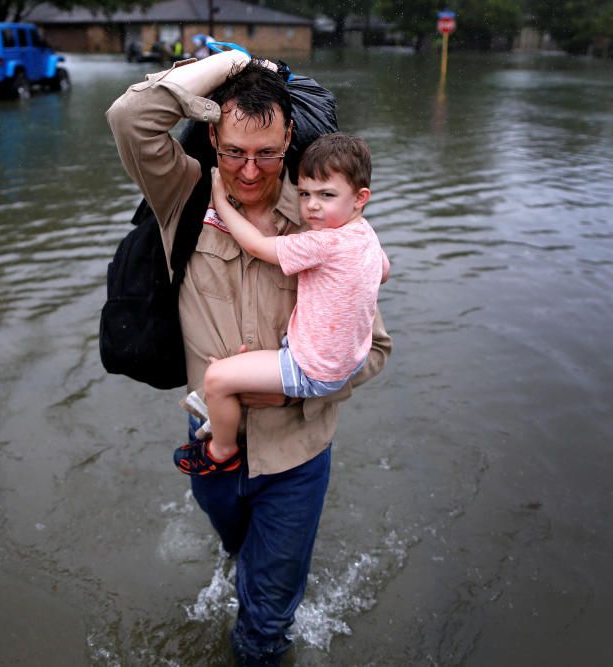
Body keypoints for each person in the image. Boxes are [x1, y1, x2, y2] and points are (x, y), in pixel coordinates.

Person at [106, 50, 391, 665]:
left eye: (267, 152)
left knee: (263, 629)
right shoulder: (183, 195)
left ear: (290, 136)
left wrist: (294, 389)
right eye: (234, 151)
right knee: (237, 556)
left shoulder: (325, 222)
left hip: (297, 455)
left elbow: (375, 350)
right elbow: (131, 118)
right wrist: (233, 62)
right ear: (213, 138)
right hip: (212, 445)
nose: (252, 171)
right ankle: (249, 563)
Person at [176, 133, 390, 472]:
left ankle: (221, 450)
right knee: (234, 374)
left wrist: (219, 199)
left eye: (326, 195)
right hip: (342, 364)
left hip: (310, 369)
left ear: (360, 198)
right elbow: (384, 271)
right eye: (304, 194)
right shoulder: (365, 235)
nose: (312, 206)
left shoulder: (321, 243)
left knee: (217, 377)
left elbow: (258, 246)